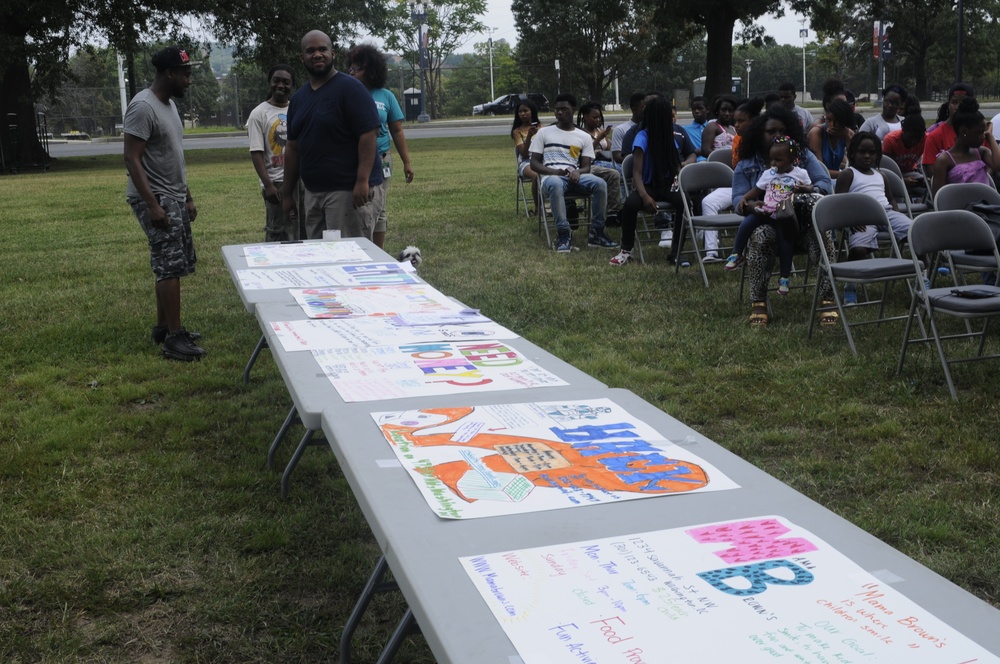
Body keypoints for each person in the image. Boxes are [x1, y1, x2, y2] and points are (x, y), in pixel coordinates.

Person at [123, 45, 206, 361]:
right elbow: (132, 158)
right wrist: (152, 205)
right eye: (185, 74)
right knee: (168, 265)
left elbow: (174, 156)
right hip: (154, 198)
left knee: (172, 264)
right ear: (169, 73)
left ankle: (162, 328)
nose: (189, 80)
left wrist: (188, 196)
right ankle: (174, 339)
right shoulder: (142, 107)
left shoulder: (169, 105)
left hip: (173, 196)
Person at [733, 106, 834, 327]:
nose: (777, 136)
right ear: (760, 133)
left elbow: (824, 184)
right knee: (760, 236)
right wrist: (750, 206)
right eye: (771, 131)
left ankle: (828, 299)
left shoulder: (802, 156)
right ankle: (758, 301)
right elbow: (738, 200)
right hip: (767, 221)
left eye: (782, 130)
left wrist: (806, 190)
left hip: (800, 220)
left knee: (822, 235)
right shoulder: (747, 163)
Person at [282, 30, 382, 240]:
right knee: (320, 260)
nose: (317, 54)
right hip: (313, 192)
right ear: (302, 57)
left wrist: (362, 181)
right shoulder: (299, 99)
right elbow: (292, 148)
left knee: (349, 258)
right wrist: (288, 193)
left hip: (347, 192)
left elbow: (368, 134)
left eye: (322, 49)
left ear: (333, 54)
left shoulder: (351, 88)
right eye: (310, 51)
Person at [346, 43, 414, 250]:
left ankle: (378, 252)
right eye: (351, 66)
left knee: (379, 206)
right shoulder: (346, 92)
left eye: (358, 67)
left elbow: (397, 130)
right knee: (356, 206)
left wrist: (407, 162)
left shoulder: (386, 96)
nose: (352, 70)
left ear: (372, 69)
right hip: (352, 159)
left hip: (381, 158)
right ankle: (358, 247)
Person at [529, 93, 617, 252]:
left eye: (564, 109)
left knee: (600, 184)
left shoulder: (583, 136)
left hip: (576, 177)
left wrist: (578, 172)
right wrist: (554, 171)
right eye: (557, 110)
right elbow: (534, 163)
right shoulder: (544, 133)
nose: (559, 113)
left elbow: (586, 167)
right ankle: (564, 235)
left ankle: (596, 234)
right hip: (552, 177)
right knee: (555, 183)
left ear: (573, 110)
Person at [724, 137, 812, 295]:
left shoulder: (801, 173)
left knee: (786, 244)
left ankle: (784, 278)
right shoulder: (768, 173)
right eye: (771, 159)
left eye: (778, 160)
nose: (773, 163)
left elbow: (810, 187)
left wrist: (805, 189)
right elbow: (757, 190)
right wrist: (745, 198)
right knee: (747, 223)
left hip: (785, 215)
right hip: (767, 210)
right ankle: (737, 253)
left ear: (792, 159)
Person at [835, 132, 915, 303]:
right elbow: (839, 202)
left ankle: (922, 278)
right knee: (858, 249)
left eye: (872, 153)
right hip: (861, 219)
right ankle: (850, 285)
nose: (867, 156)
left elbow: (891, 199)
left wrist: (896, 214)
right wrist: (850, 221)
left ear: (878, 155)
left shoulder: (881, 175)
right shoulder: (848, 174)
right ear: (852, 153)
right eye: (862, 152)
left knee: (917, 234)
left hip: (886, 213)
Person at [608, 96, 684, 266]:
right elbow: (636, 173)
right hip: (647, 185)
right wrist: (644, 196)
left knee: (684, 204)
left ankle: (676, 252)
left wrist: (677, 186)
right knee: (630, 205)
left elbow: (676, 167)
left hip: (666, 185)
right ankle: (626, 251)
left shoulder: (669, 138)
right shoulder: (642, 137)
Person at [247, 64, 300, 242]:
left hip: (298, 180)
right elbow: (256, 152)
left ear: (292, 85)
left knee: (297, 228)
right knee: (278, 231)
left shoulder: (296, 109)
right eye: (276, 81)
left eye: (286, 82)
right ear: (269, 82)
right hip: (276, 183)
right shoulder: (258, 114)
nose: (280, 85)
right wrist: (268, 185)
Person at [930, 98, 1000, 199]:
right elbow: (938, 198)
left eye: (983, 132)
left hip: (986, 208)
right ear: (964, 131)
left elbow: (998, 166)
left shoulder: (981, 152)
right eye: (979, 132)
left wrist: (990, 136)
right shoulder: (944, 160)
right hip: (960, 211)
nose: (983, 136)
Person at [577, 101, 623, 225]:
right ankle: (613, 212)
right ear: (585, 117)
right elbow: (580, 155)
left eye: (599, 117)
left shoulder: (600, 130)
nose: (597, 120)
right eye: (594, 117)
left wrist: (605, 138)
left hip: (605, 161)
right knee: (616, 173)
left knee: (625, 170)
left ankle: (622, 206)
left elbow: (609, 149)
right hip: (590, 165)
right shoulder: (580, 134)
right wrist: (598, 139)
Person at [921, 83, 976, 171]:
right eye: (954, 102)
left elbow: (991, 165)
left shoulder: (980, 132)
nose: (957, 107)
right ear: (948, 105)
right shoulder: (934, 135)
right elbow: (932, 173)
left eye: (963, 103)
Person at [882, 114, 927, 200]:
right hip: (893, 175)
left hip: (911, 173)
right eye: (910, 137)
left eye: (918, 139)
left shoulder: (926, 138)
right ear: (903, 130)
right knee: (898, 194)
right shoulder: (891, 140)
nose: (914, 141)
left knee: (928, 188)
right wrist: (903, 180)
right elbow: (888, 170)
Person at [808, 98, 854, 180]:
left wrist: (847, 139)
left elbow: (856, 165)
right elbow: (819, 170)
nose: (832, 125)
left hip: (840, 178)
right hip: (820, 179)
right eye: (828, 120)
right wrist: (846, 175)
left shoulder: (848, 134)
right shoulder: (816, 133)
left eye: (837, 121)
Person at [511, 97, 541, 215]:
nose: (522, 114)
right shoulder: (517, 131)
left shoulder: (541, 127)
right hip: (526, 162)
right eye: (520, 112)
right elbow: (523, 153)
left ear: (532, 111)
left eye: (525, 111)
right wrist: (528, 136)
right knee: (536, 176)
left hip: (541, 160)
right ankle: (538, 207)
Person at [612, 91, 645, 164]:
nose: (646, 110)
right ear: (634, 109)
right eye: (643, 107)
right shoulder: (620, 130)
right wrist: (637, 158)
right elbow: (617, 156)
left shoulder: (650, 129)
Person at [700, 95, 737, 159]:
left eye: (730, 110)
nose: (727, 113)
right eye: (723, 110)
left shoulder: (734, 129)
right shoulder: (712, 126)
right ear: (717, 111)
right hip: (717, 164)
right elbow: (705, 150)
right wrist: (723, 159)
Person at [684, 96, 709, 161]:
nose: (696, 111)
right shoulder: (685, 130)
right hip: (695, 164)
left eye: (700, 108)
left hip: (715, 162)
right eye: (694, 109)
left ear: (707, 110)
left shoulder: (714, 127)